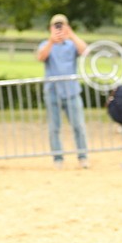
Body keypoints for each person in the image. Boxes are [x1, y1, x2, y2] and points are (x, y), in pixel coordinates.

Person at [36, 14, 90, 168]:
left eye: (62, 25)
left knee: (78, 125)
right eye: (56, 26)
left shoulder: (72, 45)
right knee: (54, 127)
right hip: (53, 91)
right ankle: (58, 158)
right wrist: (52, 41)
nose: (59, 29)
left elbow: (85, 50)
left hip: (71, 91)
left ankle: (82, 156)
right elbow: (40, 57)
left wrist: (71, 34)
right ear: (50, 28)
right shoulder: (45, 44)